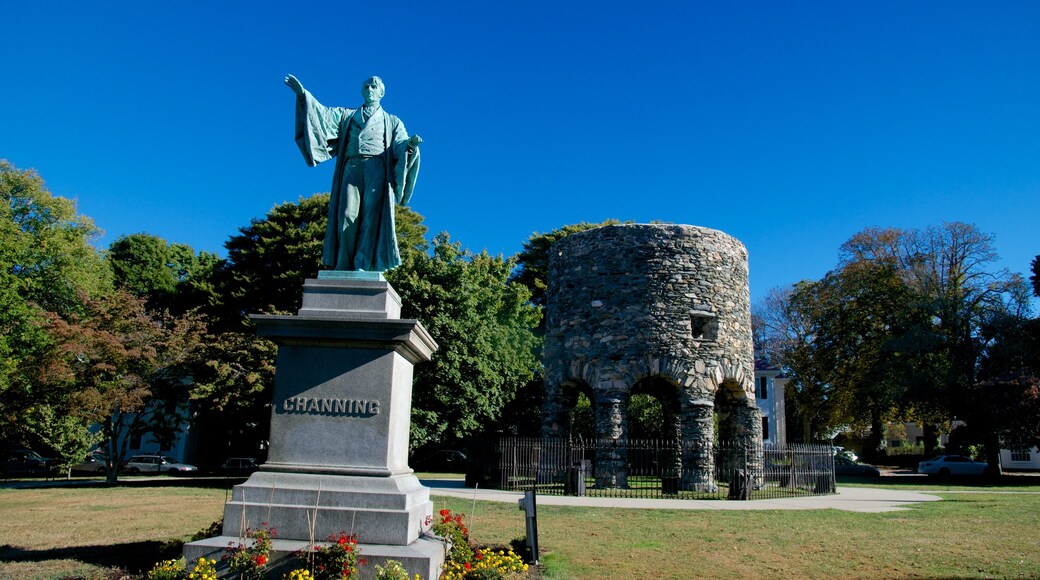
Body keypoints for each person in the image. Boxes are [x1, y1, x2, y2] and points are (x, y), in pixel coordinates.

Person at [285, 74, 421, 272]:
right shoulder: (347, 115)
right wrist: (303, 95)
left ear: (382, 93)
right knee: (347, 214)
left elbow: (399, 145)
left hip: (377, 168)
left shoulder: (392, 121)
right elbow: (322, 114)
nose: (369, 90)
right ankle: (343, 261)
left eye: (374, 87)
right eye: (366, 86)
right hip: (351, 167)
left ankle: (362, 263)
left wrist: (410, 146)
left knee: (370, 216)